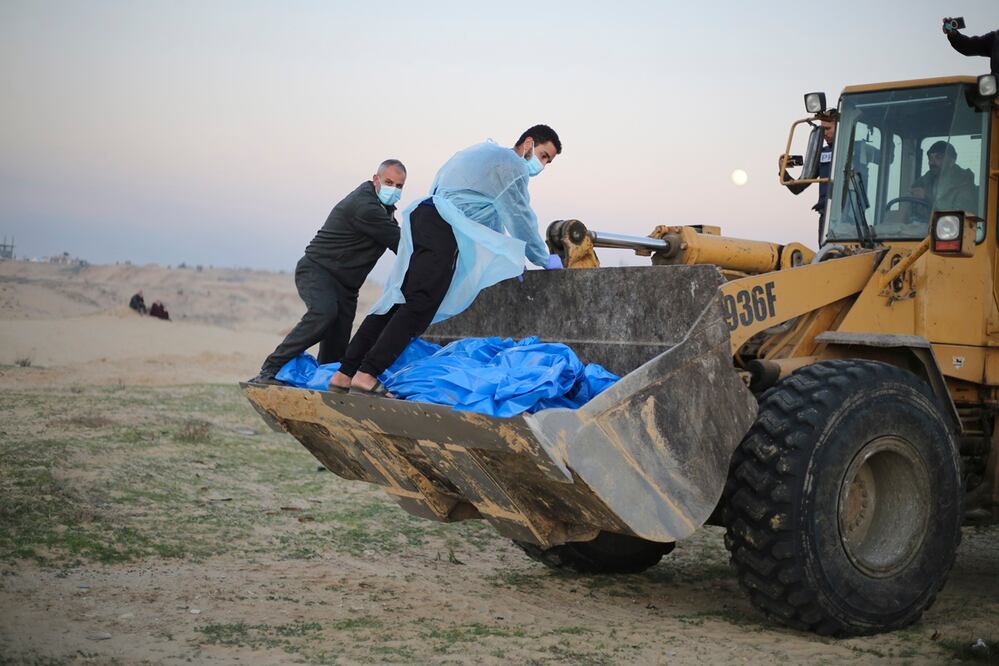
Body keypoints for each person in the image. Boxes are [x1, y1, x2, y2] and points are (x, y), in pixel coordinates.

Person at [330, 125, 565, 396]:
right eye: (544, 155)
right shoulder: (512, 167)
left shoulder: (485, 153)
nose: (543, 165)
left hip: (425, 216)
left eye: (548, 161)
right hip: (441, 228)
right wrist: (541, 257)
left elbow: (490, 219)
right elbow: (521, 218)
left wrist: (509, 257)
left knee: (398, 300)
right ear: (528, 142)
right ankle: (367, 373)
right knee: (419, 306)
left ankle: (344, 373)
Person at [249, 159, 406, 385]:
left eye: (399, 186)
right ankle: (270, 369)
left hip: (347, 286)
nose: (394, 189)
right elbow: (400, 243)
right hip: (318, 270)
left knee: (337, 346)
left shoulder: (385, 211)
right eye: (389, 182)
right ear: (375, 180)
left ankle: (323, 384)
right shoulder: (365, 206)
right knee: (323, 314)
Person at [780, 117, 836, 242]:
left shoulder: (858, 149)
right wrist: (783, 172)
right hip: (826, 215)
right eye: (822, 130)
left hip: (851, 215)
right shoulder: (820, 154)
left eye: (828, 129)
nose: (824, 134)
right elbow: (798, 188)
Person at [910, 140, 978, 214]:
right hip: (923, 224)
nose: (932, 162)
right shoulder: (924, 181)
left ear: (952, 161)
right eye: (930, 158)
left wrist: (926, 195)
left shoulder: (964, 184)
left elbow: (960, 216)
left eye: (938, 158)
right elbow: (907, 203)